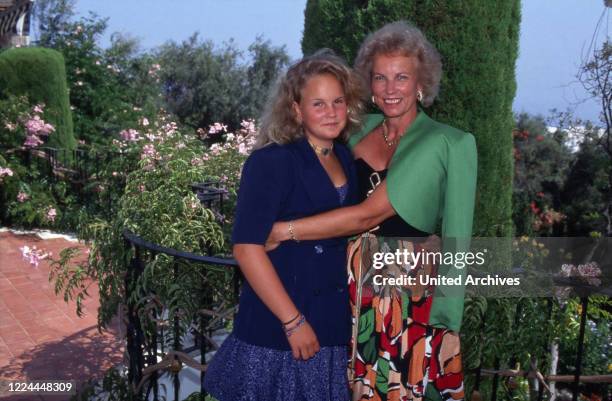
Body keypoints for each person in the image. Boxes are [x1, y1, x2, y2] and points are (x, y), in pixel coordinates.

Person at [266, 22, 477, 401]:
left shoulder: (447, 142)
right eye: (380, 78)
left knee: (392, 389)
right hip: (345, 284)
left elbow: (369, 216)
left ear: (420, 83)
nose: (390, 88)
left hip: (404, 297)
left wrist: (446, 323)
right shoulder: (360, 130)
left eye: (401, 77)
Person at [204, 50, 365, 401]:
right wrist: (293, 322)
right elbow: (246, 249)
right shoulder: (272, 161)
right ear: (296, 109)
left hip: (330, 323)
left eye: (338, 101)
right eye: (318, 104)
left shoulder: (344, 157)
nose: (332, 112)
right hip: (281, 328)